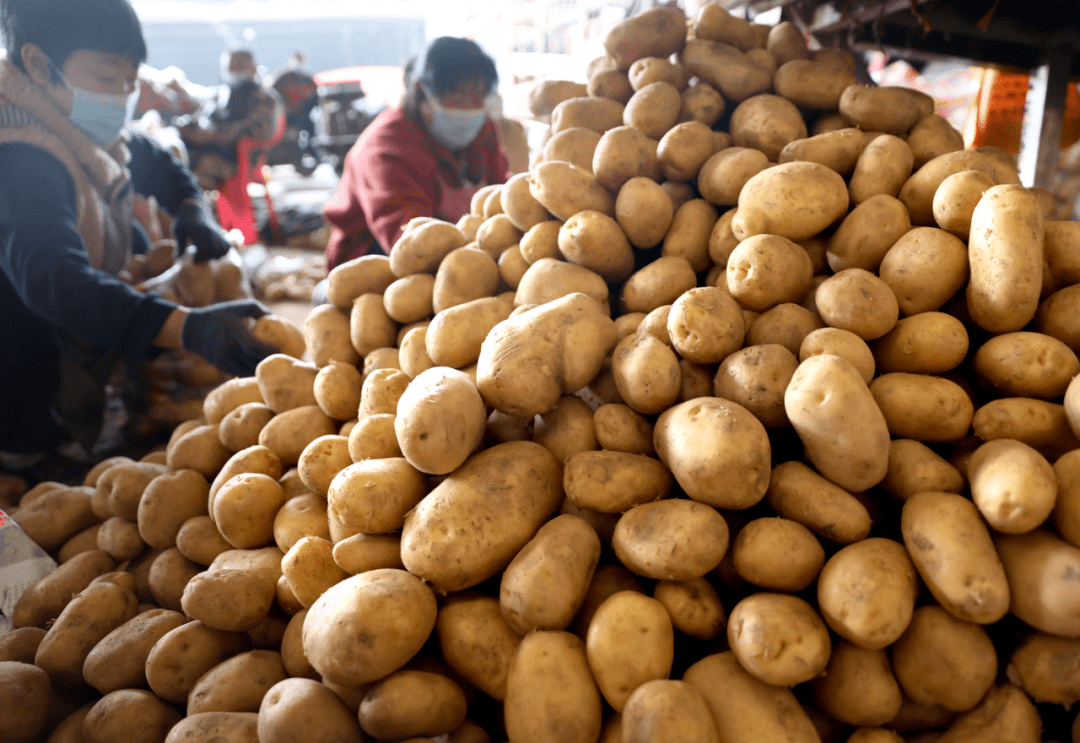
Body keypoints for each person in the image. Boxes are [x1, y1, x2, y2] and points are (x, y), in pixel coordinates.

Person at [0, 0, 276, 471]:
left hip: (63, 331)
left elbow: (156, 161)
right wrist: (186, 328)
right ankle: (23, 453)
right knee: (28, 433)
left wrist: (193, 210)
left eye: (131, 79)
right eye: (108, 79)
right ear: (37, 65)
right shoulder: (18, 156)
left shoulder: (79, 125)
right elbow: (56, 281)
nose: (122, 96)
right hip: (18, 352)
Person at [322, 36, 510, 271]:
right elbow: (409, 241)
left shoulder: (482, 128)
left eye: (477, 98)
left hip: (463, 249)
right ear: (422, 93)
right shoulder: (385, 148)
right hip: (376, 257)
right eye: (456, 97)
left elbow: (504, 190)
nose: (468, 109)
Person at [178, 48, 282, 191]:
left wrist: (213, 135)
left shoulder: (264, 97)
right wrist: (186, 127)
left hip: (236, 157)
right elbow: (200, 117)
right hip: (204, 147)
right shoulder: (220, 94)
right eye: (230, 67)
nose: (234, 70)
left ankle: (193, 206)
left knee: (188, 174)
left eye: (240, 66)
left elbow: (258, 131)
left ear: (253, 68)